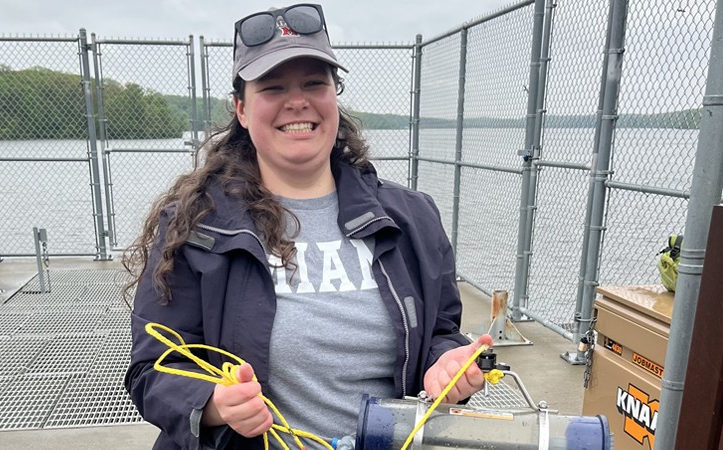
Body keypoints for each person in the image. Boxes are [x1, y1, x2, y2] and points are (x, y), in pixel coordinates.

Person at [124, 3, 493, 449]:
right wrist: (215, 402)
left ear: (334, 97)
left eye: (314, 83)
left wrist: (446, 364)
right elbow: (153, 370)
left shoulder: (411, 217)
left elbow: (439, 332)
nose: (296, 101)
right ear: (242, 110)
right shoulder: (196, 224)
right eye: (273, 87)